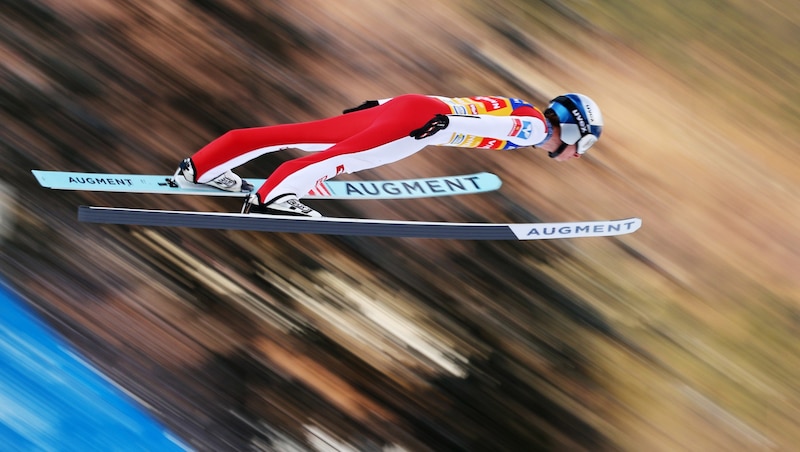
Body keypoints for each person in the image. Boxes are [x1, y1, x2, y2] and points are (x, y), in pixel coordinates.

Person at [173, 93, 603, 217]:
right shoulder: (533, 127)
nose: (574, 156)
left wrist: (380, 105)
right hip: (423, 122)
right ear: (572, 133)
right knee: (344, 158)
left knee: (299, 135)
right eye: (581, 147)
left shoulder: (520, 105)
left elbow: (456, 101)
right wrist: (446, 126)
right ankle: (272, 199)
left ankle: (202, 167)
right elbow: (492, 127)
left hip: (407, 106)